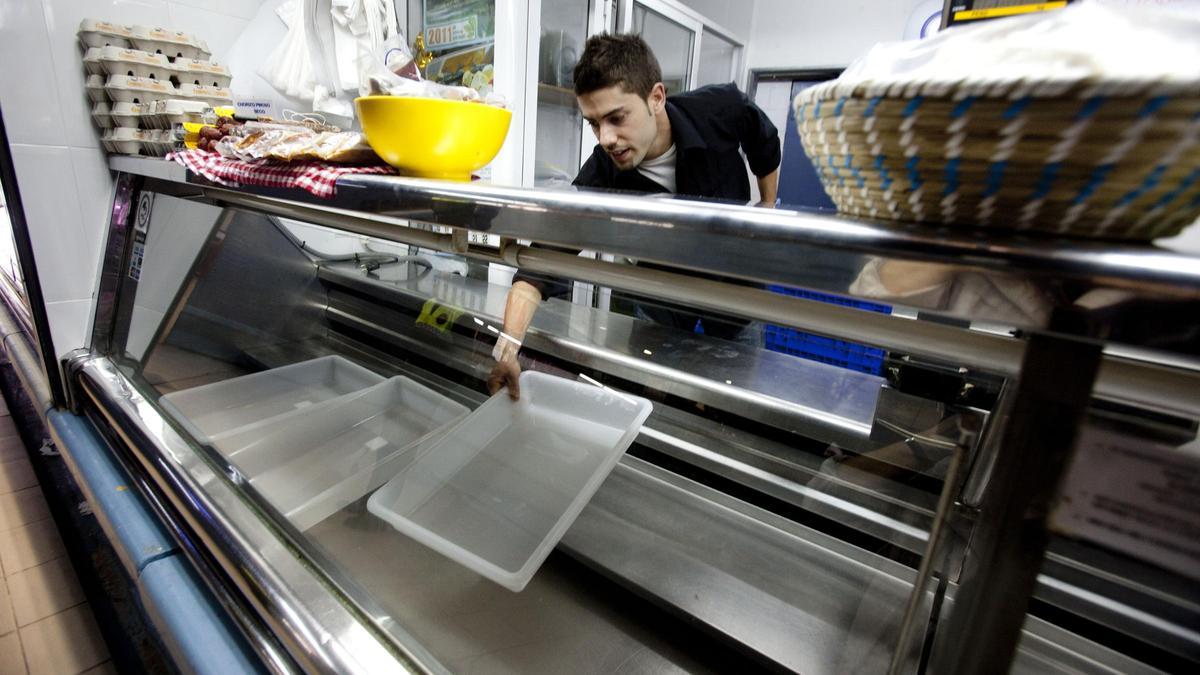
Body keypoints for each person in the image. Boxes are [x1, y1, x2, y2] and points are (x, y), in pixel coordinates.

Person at [488, 33, 782, 399]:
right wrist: (508, 348)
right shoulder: (603, 172)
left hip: (735, 287)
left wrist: (767, 207)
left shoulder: (720, 109)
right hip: (661, 292)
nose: (606, 138)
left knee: (739, 396)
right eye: (594, 123)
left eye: (616, 117)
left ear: (656, 98)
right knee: (651, 393)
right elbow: (540, 261)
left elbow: (764, 142)